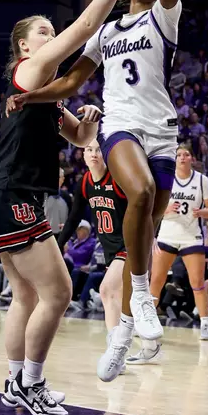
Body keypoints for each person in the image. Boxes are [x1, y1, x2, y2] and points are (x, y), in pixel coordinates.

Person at [4, 0, 198, 359]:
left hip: (161, 130)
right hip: (119, 126)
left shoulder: (163, 19)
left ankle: (123, 331)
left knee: (146, 226)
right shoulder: (108, 30)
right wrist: (32, 97)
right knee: (143, 193)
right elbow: (71, 84)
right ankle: (139, 296)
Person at [0, 0, 147, 415]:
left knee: (26, 295)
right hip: (11, 193)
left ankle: (14, 380)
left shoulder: (46, 96)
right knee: (60, 292)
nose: (53, 38)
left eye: (53, 32)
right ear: (24, 47)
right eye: (45, 33)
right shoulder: (31, 71)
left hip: (1, 192)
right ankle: (32, 383)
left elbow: (79, 138)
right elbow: (87, 25)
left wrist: (89, 119)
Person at [58, 140, 130, 381]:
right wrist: (58, 245)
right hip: (111, 250)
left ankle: (116, 352)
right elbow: (73, 217)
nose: (94, 154)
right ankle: (118, 352)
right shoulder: (86, 182)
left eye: (98, 149)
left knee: (106, 289)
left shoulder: (118, 178)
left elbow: (143, 207)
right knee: (115, 299)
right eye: (89, 149)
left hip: (129, 245)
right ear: (83, 154)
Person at [150, 146, 208, 343]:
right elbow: (153, 207)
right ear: (174, 158)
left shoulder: (202, 180)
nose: (182, 157)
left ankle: (205, 323)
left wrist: (201, 212)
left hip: (191, 236)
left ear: (192, 158)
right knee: (157, 281)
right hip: (167, 234)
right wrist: (166, 208)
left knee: (197, 282)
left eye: (186, 154)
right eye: (179, 155)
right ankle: (148, 321)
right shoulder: (165, 179)